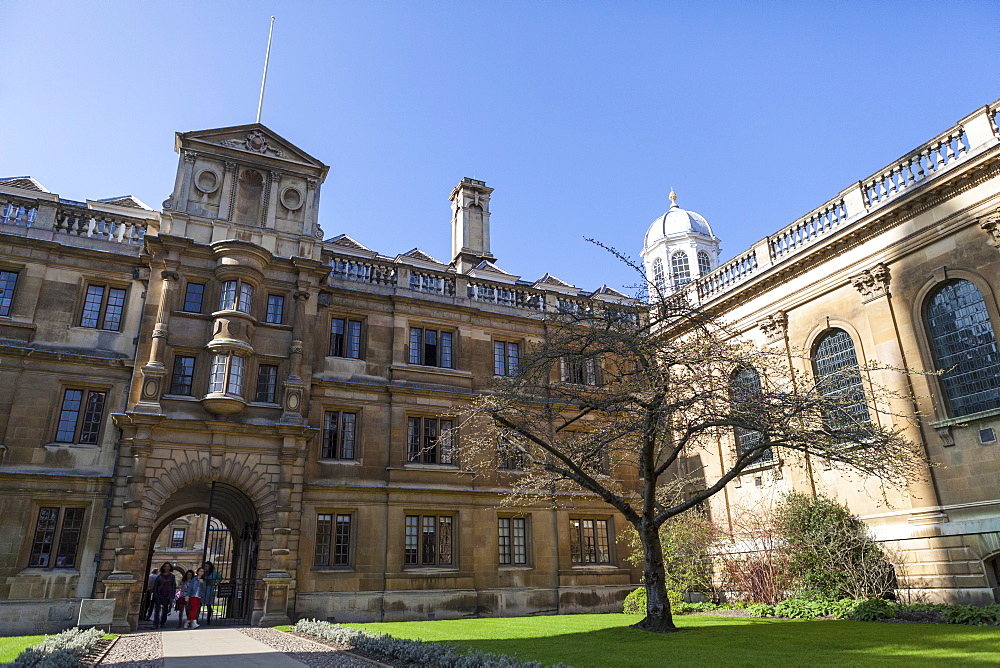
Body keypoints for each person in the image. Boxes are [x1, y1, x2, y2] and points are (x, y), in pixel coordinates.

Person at [150, 563, 176, 630]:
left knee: (165, 610)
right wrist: (155, 595)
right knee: (157, 611)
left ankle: (162, 623)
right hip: (159, 594)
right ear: (163, 567)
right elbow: (156, 586)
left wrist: (172, 596)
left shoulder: (172, 576)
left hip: (167, 595)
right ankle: (155, 624)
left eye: (168, 567)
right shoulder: (159, 576)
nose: (167, 568)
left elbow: (173, 587)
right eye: (165, 566)